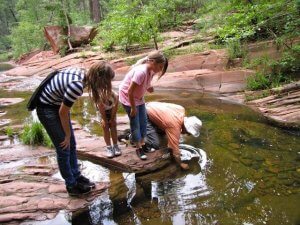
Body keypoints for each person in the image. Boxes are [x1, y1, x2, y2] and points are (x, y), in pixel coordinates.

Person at [34, 61, 115, 196]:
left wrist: (69, 136)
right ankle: (71, 185)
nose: (106, 86)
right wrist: (66, 135)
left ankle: (77, 176)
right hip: (47, 109)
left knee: (72, 144)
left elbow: (63, 109)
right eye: (106, 82)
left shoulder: (83, 75)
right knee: (64, 147)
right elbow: (62, 113)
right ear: (100, 79)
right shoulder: (76, 86)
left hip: (57, 104)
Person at [118, 51, 168, 160]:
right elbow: (129, 91)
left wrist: (148, 87)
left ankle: (143, 144)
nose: (160, 70)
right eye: (160, 67)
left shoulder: (151, 71)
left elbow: (145, 83)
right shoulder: (141, 72)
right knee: (135, 124)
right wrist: (132, 108)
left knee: (144, 122)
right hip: (128, 97)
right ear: (153, 62)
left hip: (138, 97)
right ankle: (138, 148)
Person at [145, 102, 202, 170]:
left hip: (151, 105)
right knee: (156, 144)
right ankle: (136, 137)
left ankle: (154, 129)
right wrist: (181, 163)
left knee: (166, 137)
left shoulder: (182, 110)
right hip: (144, 113)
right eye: (189, 132)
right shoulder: (174, 126)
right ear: (186, 127)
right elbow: (175, 152)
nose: (188, 134)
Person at [97, 90, 121, 158]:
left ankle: (116, 146)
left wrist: (112, 119)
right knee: (105, 127)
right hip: (101, 112)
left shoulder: (115, 95)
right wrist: (104, 120)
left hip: (111, 110)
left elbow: (115, 107)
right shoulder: (99, 97)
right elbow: (101, 109)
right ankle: (109, 147)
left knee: (113, 126)